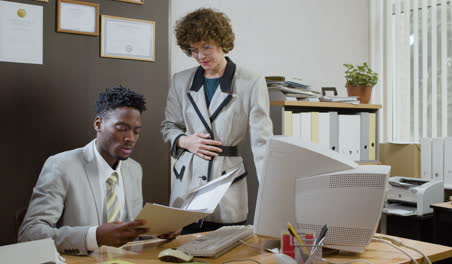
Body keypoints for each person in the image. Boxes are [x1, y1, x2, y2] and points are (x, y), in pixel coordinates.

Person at [161, 8, 273, 233]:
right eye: (193, 50)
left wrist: (270, 193)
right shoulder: (180, 81)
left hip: (227, 180)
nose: (200, 55)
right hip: (188, 179)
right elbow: (169, 127)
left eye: (206, 47)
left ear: (222, 42)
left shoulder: (251, 82)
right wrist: (185, 141)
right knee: (184, 248)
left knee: (227, 249)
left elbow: (262, 144)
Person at [18, 87, 149, 255]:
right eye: (122, 128)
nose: (130, 138)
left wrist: (157, 231)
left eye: (136, 131)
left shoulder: (134, 169)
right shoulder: (61, 165)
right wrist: (95, 236)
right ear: (98, 124)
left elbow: (130, 230)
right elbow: (29, 234)